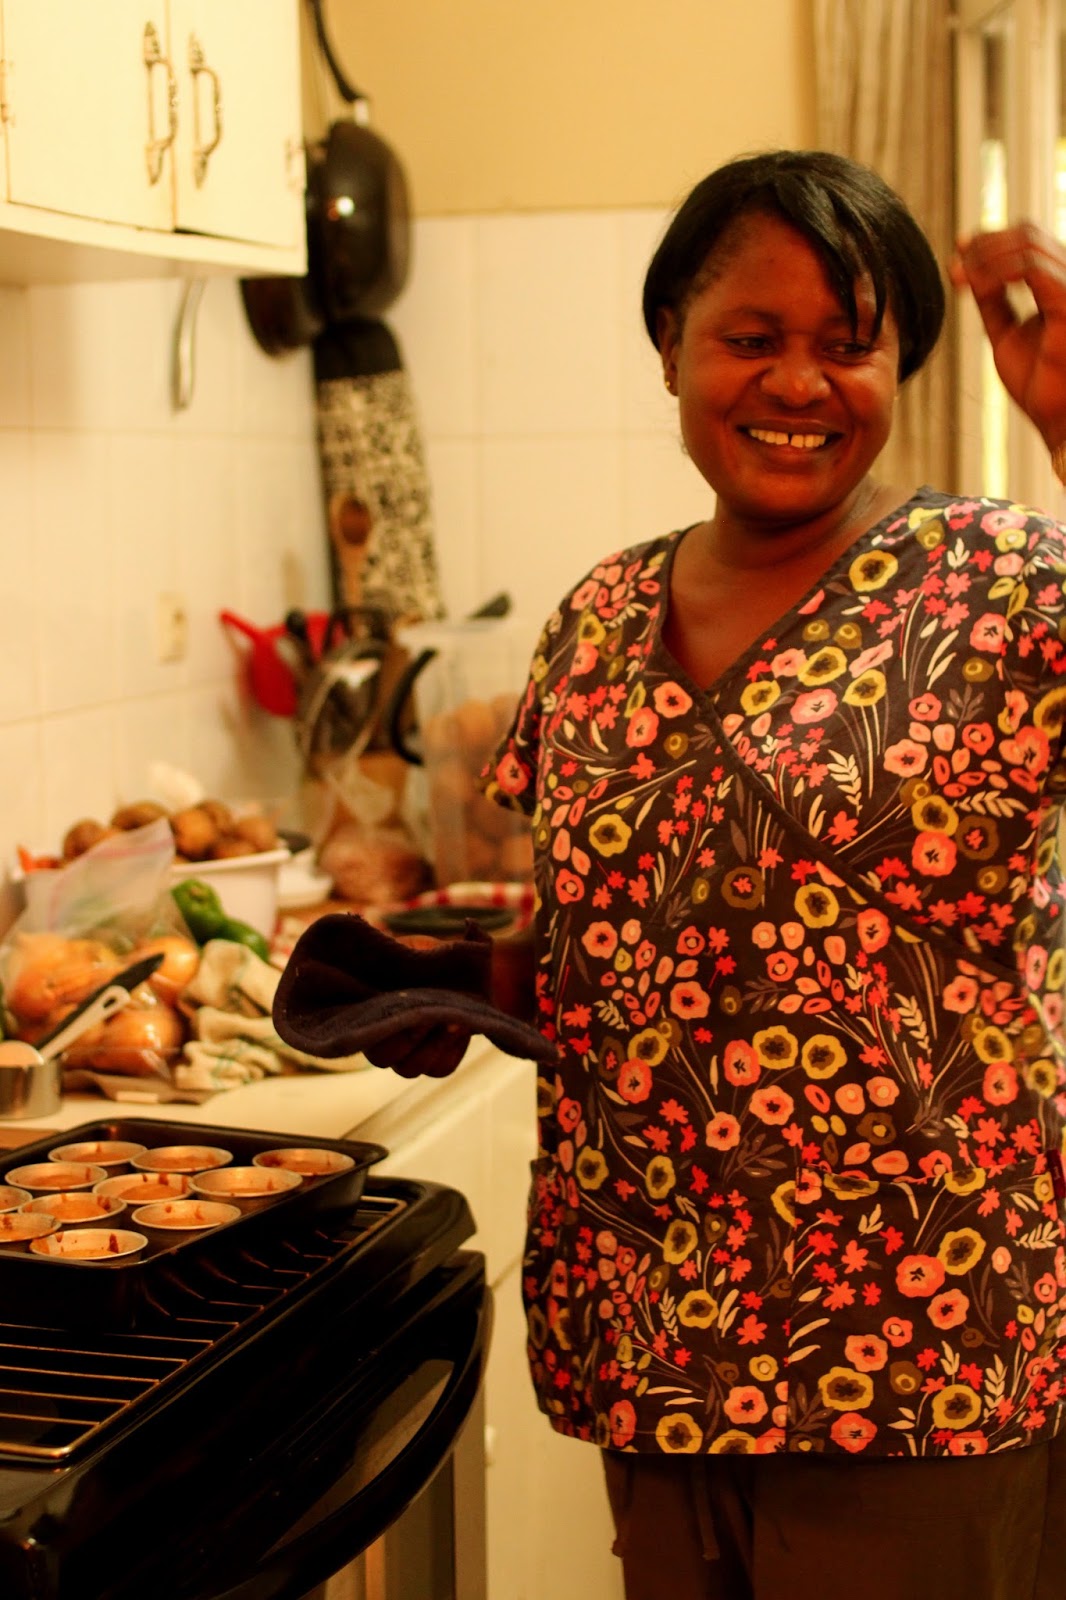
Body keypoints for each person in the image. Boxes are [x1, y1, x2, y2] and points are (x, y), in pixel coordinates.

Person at [290, 151, 1066, 1598]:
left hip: (918, 1357)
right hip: (654, 1330)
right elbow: (621, 930)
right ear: (668, 350)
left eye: (848, 345)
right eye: (750, 338)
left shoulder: (1005, 584)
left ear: (900, 365)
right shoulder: (595, 619)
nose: (798, 381)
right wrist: (446, 983)